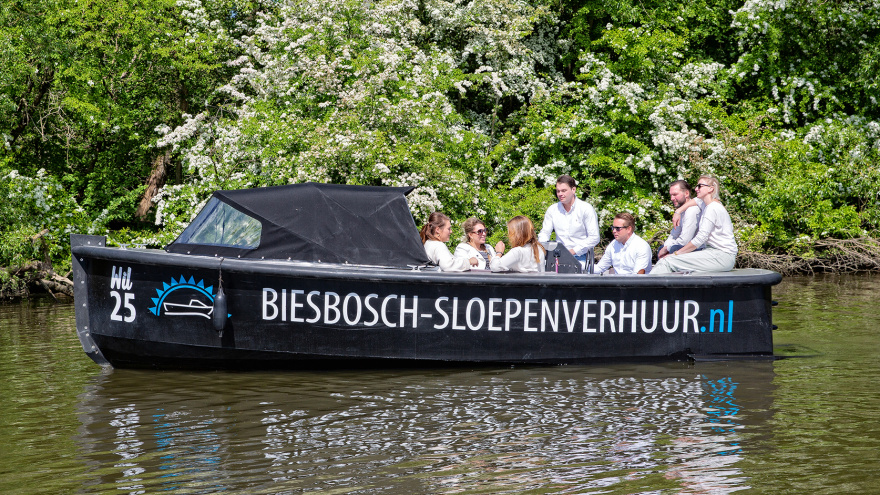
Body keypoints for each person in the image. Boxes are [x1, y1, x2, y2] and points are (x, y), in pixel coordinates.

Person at [652, 175, 738, 274]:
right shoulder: (706, 204)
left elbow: (700, 239)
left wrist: (676, 254)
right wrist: (678, 211)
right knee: (676, 264)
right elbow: (695, 201)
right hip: (712, 253)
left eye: (700, 186)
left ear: (711, 189)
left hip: (722, 256)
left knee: (667, 262)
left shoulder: (712, 208)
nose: (696, 189)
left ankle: (643, 287)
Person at [538, 174, 600, 269]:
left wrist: (572, 251)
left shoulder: (586, 209)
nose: (560, 194)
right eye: (558, 191)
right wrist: (543, 249)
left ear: (573, 190)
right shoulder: (552, 210)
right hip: (557, 256)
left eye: (564, 190)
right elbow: (545, 233)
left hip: (580, 257)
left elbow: (594, 238)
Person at [657, 180, 702, 259]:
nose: (672, 198)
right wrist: (665, 247)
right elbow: (674, 234)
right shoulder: (680, 211)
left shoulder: (692, 210)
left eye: (675, 195)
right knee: (662, 248)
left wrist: (667, 248)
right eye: (671, 195)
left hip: (696, 249)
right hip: (683, 247)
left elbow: (685, 240)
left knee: (674, 248)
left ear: (686, 193)